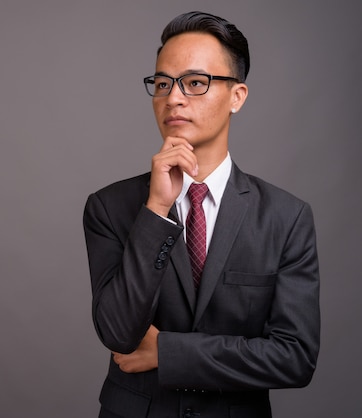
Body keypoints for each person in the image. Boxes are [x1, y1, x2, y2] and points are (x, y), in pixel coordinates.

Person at [83, 11, 320, 418]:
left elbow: (295, 357)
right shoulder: (110, 207)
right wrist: (156, 211)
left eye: (195, 83)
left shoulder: (286, 217)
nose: (173, 97)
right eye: (162, 83)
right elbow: (119, 335)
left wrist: (168, 352)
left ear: (237, 96)